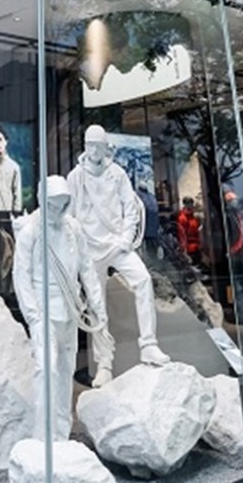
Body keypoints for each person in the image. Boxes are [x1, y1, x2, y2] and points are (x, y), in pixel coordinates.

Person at [67, 124, 169, 386]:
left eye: (98, 146)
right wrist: (79, 248)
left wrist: (125, 238)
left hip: (117, 244)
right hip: (91, 250)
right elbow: (69, 216)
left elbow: (131, 208)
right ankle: (104, 364)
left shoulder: (117, 174)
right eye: (90, 145)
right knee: (96, 304)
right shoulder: (76, 177)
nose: (93, 150)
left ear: (105, 147)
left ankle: (148, 345)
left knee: (143, 280)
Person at [12, 176, 107, 441]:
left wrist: (98, 306)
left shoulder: (73, 229)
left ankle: (62, 435)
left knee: (66, 372)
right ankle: (43, 437)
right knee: (46, 370)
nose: (57, 210)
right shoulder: (31, 232)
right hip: (44, 312)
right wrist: (33, 316)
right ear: (42, 200)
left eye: (63, 204)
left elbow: (87, 268)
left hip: (70, 311)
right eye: (53, 204)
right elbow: (21, 276)